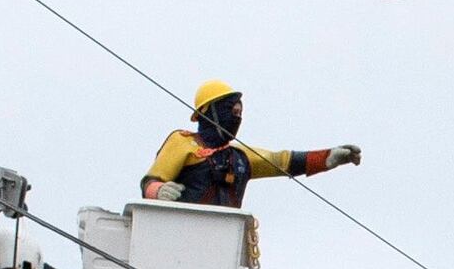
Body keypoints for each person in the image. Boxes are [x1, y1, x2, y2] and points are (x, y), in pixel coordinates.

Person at [142, 82, 363, 209]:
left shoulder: (240, 156)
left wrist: (328, 157)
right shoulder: (183, 142)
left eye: (239, 113)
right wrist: (158, 191)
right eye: (231, 111)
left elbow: (282, 160)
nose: (236, 118)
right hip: (182, 229)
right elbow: (151, 180)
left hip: (225, 233)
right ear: (209, 111)